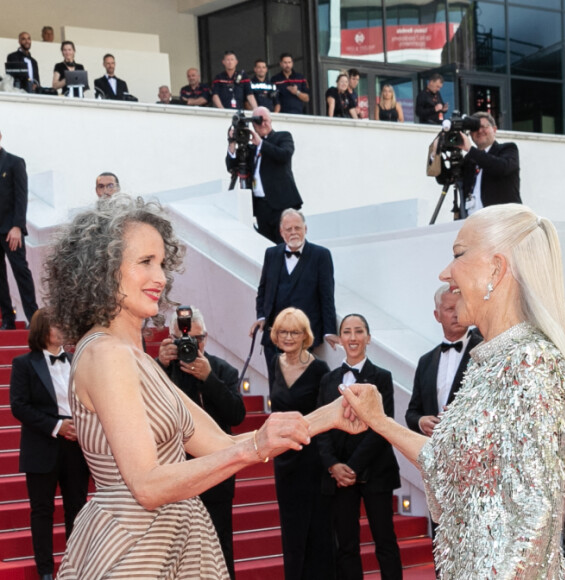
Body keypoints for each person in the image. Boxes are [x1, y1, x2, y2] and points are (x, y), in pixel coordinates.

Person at [44, 195, 361, 579]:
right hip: (135, 548)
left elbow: (222, 444)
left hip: (174, 537)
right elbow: (147, 485)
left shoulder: (137, 360)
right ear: (102, 269)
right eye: (145, 262)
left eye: (162, 262)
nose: (160, 277)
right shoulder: (107, 355)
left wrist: (330, 415)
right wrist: (254, 447)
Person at [341, 203, 565, 579]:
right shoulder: (491, 361)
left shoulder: (532, 360)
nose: (445, 273)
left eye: (458, 255)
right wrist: (379, 421)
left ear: (496, 269)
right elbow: (442, 462)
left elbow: (534, 519)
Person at [156, 308, 245, 579]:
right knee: (175, 553)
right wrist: (159, 366)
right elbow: (147, 413)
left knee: (219, 548)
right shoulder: (159, 370)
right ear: (170, 339)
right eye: (184, 339)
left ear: (206, 339)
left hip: (216, 475)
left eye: (197, 339)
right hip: (174, 475)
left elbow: (236, 415)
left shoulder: (223, 370)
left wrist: (209, 379)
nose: (191, 346)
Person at [318, 313, 402, 580]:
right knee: (346, 545)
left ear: (368, 337)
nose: (352, 338)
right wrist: (333, 465)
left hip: (376, 471)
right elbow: (321, 427)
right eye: (347, 332)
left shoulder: (383, 377)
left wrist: (353, 466)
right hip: (339, 476)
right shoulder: (327, 381)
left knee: (385, 541)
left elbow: (382, 427)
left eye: (358, 331)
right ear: (340, 339)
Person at [10, 308, 90, 580]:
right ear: (42, 330)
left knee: (77, 507)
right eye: (58, 325)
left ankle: (76, 567)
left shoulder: (75, 359)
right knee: (42, 510)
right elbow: (19, 406)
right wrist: (57, 427)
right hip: (42, 445)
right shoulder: (24, 364)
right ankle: (45, 571)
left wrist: (82, 424)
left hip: (77, 446)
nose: (64, 329)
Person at [269, 308, 333, 579]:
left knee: (318, 531)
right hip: (285, 459)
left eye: (294, 332)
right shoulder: (275, 363)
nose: (288, 337)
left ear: (305, 335)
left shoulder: (319, 368)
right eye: (283, 331)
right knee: (292, 531)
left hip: (313, 459)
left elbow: (328, 413)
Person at [250, 209, 339, 388]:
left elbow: (327, 295)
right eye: (288, 229)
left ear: (305, 229)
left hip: (304, 337)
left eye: (297, 228)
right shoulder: (271, 254)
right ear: (281, 233)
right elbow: (263, 289)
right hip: (273, 336)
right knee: (276, 387)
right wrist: (261, 316)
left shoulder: (321, 255)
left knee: (301, 388)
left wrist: (329, 331)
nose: (293, 232)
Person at [405, 284, 482, 436]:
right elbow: (412, 412)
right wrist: (420, 421)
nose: (456, 314)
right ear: (437, 315)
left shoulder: (484, 350)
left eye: (460, 307)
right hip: (433, 450)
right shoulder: (425, 361)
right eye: (449, 309)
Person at [226, 106, 303, 243]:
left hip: (281, 203)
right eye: (258, 121)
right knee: (266, 247)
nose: (263, 124)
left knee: (283, 245)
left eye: (265, 120)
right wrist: (232, 144)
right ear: (253, 125)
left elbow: (284, 155)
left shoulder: (283, 137)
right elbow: (232, 167)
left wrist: (261, 143)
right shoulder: (251, 148)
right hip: (261, 206)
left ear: (271, 120)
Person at [437, 111, 521, 216]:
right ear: (470, 134)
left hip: (503, 221)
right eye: (475, 129)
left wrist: (470, 149)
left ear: (494, 129)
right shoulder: (469, 159)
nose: (479, 131)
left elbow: (502, 167)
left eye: (483, 127)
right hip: (474, 224)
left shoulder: (508, 149)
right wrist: (436, 154)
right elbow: (446, 179)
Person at [0, 131, 38, 329]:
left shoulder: (14, 162)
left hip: (10, 229)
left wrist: (17, 226)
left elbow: (21, 197)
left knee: (20, 271)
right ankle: (8, 319)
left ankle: (33, 317)